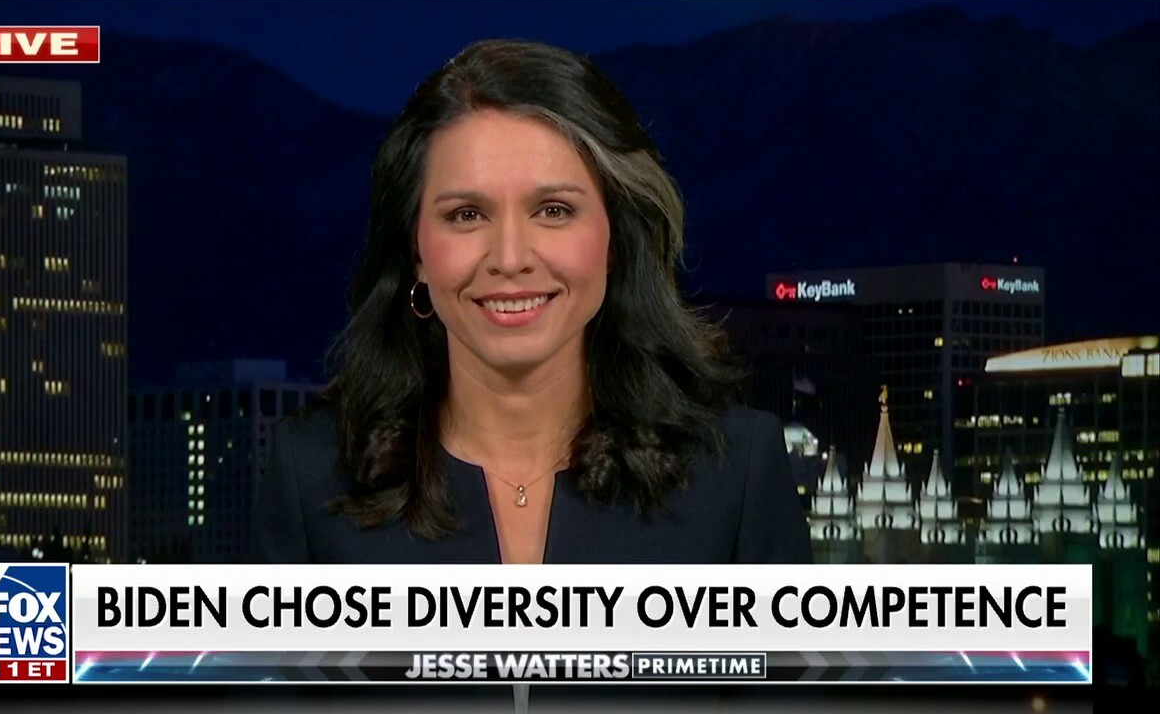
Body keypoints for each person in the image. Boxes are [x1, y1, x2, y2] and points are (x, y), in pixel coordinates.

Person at [253, 38, 811, 711]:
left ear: (614, 239)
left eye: (554, 211)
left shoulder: (736, 472)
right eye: (466, 215)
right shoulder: (313, 478)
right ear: (416, 252)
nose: (511, 257)